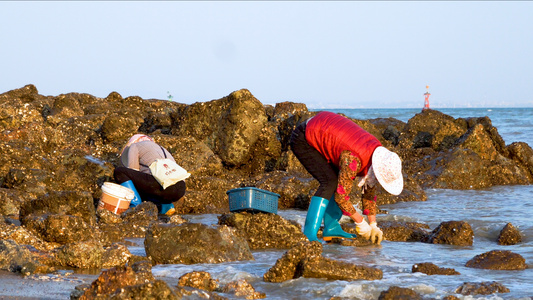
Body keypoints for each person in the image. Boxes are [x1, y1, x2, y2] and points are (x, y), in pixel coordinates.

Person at [289, 111, 403, 244]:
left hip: (325, 130)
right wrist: (360, 222)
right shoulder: (353, 159)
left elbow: (369, 192)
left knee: (336, 180)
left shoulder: (375, 156)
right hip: (304, 137)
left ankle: (331, 228)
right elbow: (341, 197)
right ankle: (309, 234)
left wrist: (373, 224)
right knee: (329, 182)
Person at [114, 134, 187, 215]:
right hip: (181, 188)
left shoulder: (135, 146)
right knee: (152, 186)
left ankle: (135, 205)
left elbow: (132, 171)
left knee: (120, 172)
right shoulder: (163, 149)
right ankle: (167, 206)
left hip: (162, 187)